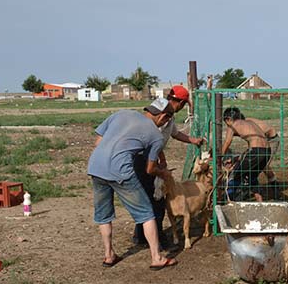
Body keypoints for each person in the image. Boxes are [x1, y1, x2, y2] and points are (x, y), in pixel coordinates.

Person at [87, 107, 177, 270]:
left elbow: (98, 142)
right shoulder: (155, 135)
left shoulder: (121, 113)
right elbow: (150, 169)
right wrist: (162, 173)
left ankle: (109, 255)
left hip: (96, 166)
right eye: (166, 120)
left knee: (103, 214)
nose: (165, 124)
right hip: (120, 170)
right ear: (163, 116)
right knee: (146, 213)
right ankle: (156, 258)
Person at [131, 85, 205, 246]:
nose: (183, 107)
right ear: (178, 101)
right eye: (184, 104)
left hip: (149, 157)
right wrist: (161, 158)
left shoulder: (168, 116)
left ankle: (141, 236)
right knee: (156, 199)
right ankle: (155, 238)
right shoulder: (163, 114)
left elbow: (175, 133)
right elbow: (154, 139)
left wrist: (193, 140)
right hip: (146, 159)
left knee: (147, 197)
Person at [220, 107, 277, 202]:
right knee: (251, 177)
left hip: (256, 151)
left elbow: (227, 142)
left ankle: (227, 200)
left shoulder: (232, 126)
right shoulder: (250, 123)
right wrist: (236, 159)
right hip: (267, 151)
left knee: (235, 174)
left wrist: (219, 158)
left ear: (228, 119)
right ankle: (260, 201)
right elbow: (250, 151)